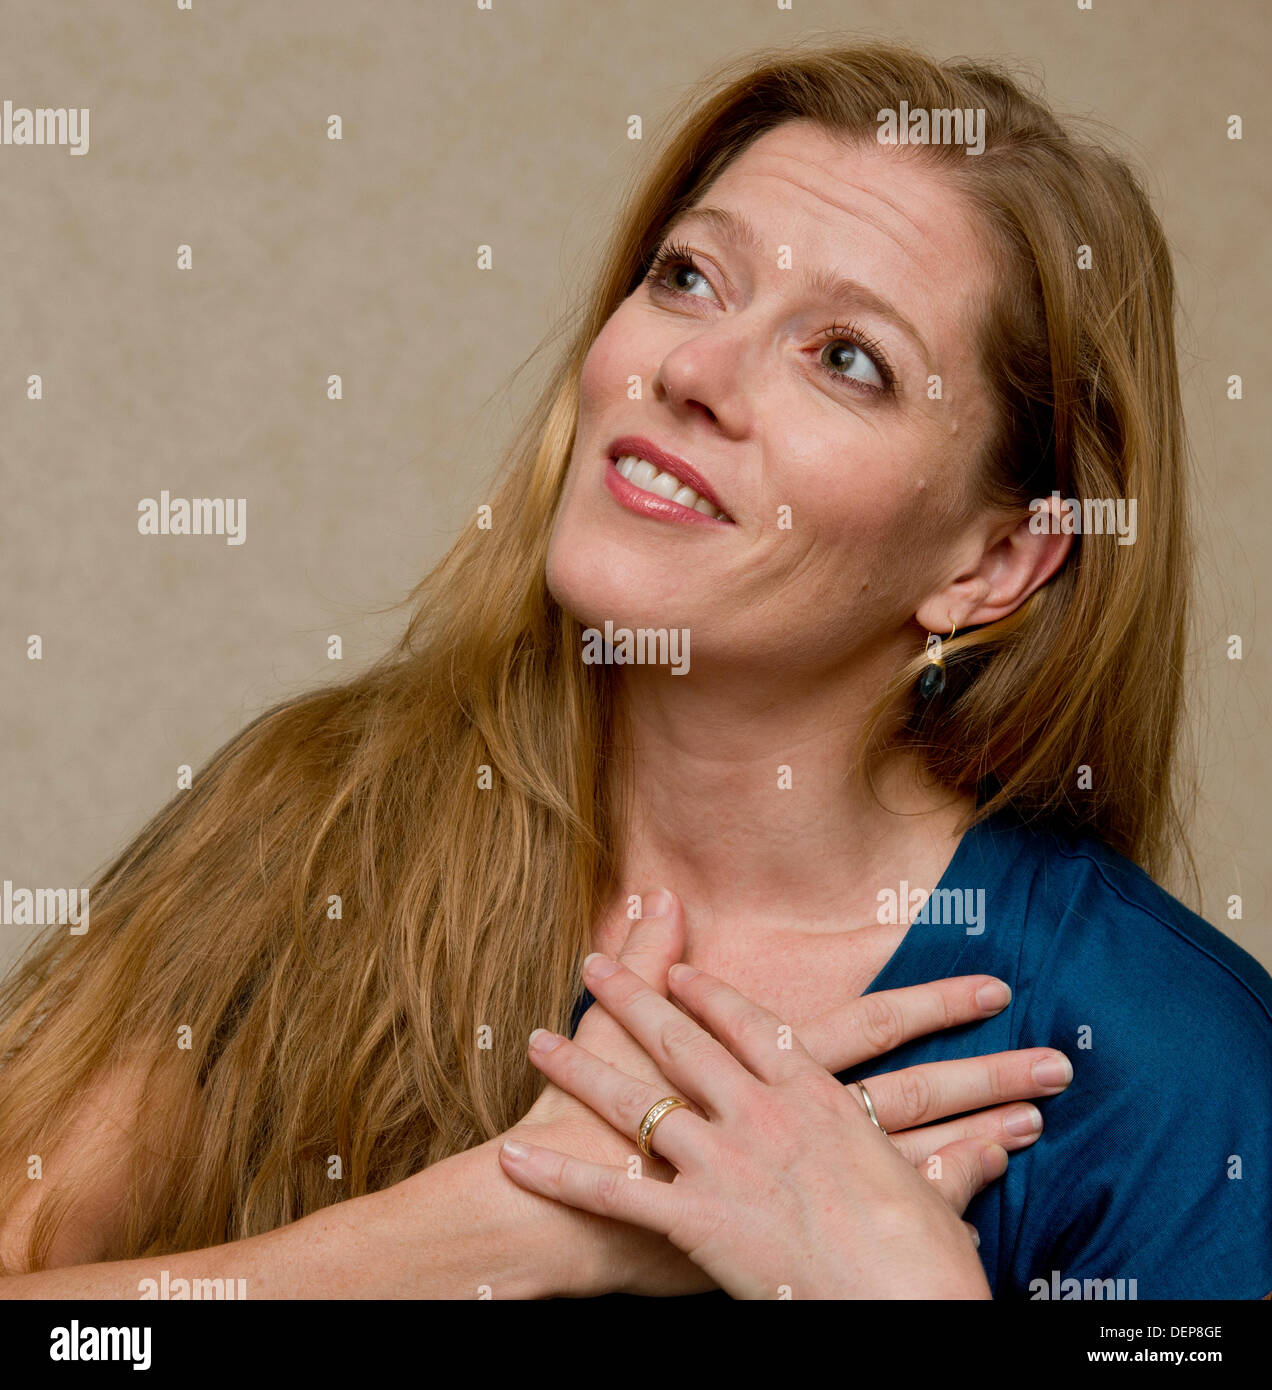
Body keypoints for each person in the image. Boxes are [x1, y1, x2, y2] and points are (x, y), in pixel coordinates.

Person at [1, 38, 1269, 1300]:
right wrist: (472, 1238)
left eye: (847, 358)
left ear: (995, 562)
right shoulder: (313, 824)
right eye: (690, 279)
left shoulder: (1172, 1070)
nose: (693, 370)